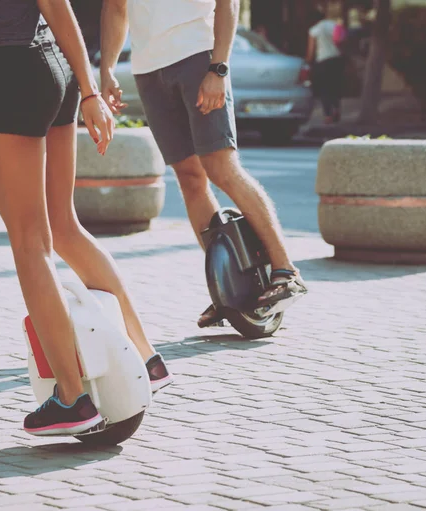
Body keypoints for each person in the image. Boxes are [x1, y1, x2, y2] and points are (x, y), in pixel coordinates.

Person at [0, 0, 172, 437]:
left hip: (9, 67)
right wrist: (86, 82)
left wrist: (92, 91)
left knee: (30, 242)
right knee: (63, 227)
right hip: (53, 61)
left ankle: (72, 399)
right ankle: (145, 357)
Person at [100, 0, 307, 328]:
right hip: (147, 69)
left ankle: (286, 271)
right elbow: (115, 7)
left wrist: (219, 67)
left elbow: (228, 3)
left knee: (222, 167)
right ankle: (228, 287)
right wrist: (108, 68)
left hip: (198, 56)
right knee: (189, 177)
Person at [306, 6, 345, 124]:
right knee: (335, 86)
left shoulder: (314, 30)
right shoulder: (334, 25)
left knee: (325, 88)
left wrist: (308, 61)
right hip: (336, 59)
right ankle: (337, 109)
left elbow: (311, 50)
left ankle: (328, 115)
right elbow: (342, 40)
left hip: (323, 61)